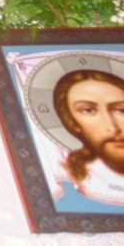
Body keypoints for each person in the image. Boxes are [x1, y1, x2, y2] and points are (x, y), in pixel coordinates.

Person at [53, 69, 124, 204]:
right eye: (88, 110)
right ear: (73, 123)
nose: (113, 128)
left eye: (120, 110)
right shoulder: (92, 175)